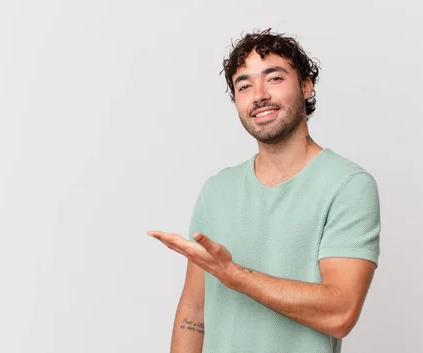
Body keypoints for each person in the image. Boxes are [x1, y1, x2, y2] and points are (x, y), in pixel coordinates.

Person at [147, 28, 381, 353]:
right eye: (244, 85)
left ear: (306, 85)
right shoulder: (216, 190)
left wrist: (234, 275)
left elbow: (340, 312)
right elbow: (194, 309)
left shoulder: (348, 185)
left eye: (273, 78)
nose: (258, 95)